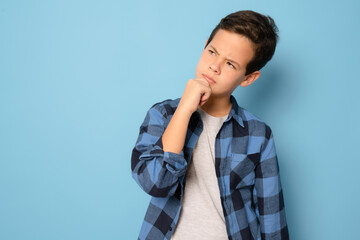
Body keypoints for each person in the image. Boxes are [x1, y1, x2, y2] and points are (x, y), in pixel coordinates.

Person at [131, 10, 289, 240]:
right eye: (212, 52)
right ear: (205, 46)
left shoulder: (258, 135)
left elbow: (272, 216)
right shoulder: (162, 115)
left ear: (248, 78)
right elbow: (157, 184)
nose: (214, 66)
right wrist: (184, 109)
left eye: (231, 64)